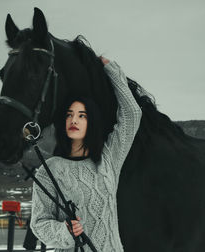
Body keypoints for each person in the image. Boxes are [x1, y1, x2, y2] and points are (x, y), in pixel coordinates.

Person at [30, 56, 143, 251]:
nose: (74, 120)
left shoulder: (108, 159)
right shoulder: (51, 169)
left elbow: (132, 115)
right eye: (69, 115)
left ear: (92, 122)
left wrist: (112, 71)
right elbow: (39, 223)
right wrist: (64, 231)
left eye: (82, 115)